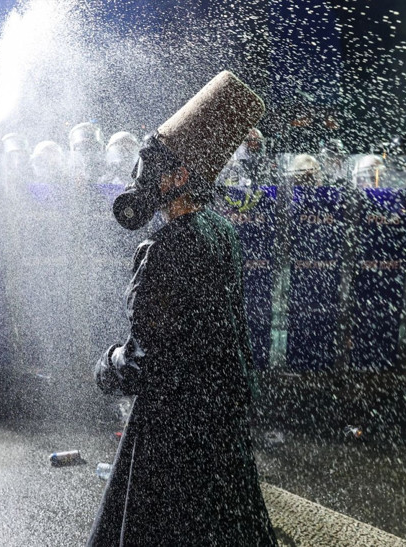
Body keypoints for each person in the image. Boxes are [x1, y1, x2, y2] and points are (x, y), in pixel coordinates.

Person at [90, 70, 277, 546]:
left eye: (153, 166)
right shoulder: (221, 230)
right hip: (220, 415)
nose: (141, 177)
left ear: (178, 177)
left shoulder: (161, 247)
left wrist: (109, 365)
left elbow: (147, 357)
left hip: (173, 428)